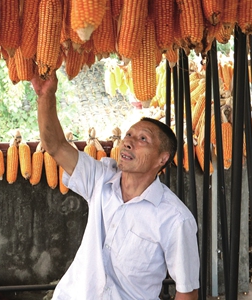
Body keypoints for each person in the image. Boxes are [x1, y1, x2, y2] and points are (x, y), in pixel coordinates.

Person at [32, 72, 200, 300]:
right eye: (129, 134)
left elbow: (187, 291)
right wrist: (46, 96)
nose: (128, 141)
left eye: (143, 139)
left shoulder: (175, 219)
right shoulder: (100, 179)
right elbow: (56, 146)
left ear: (162, 159)